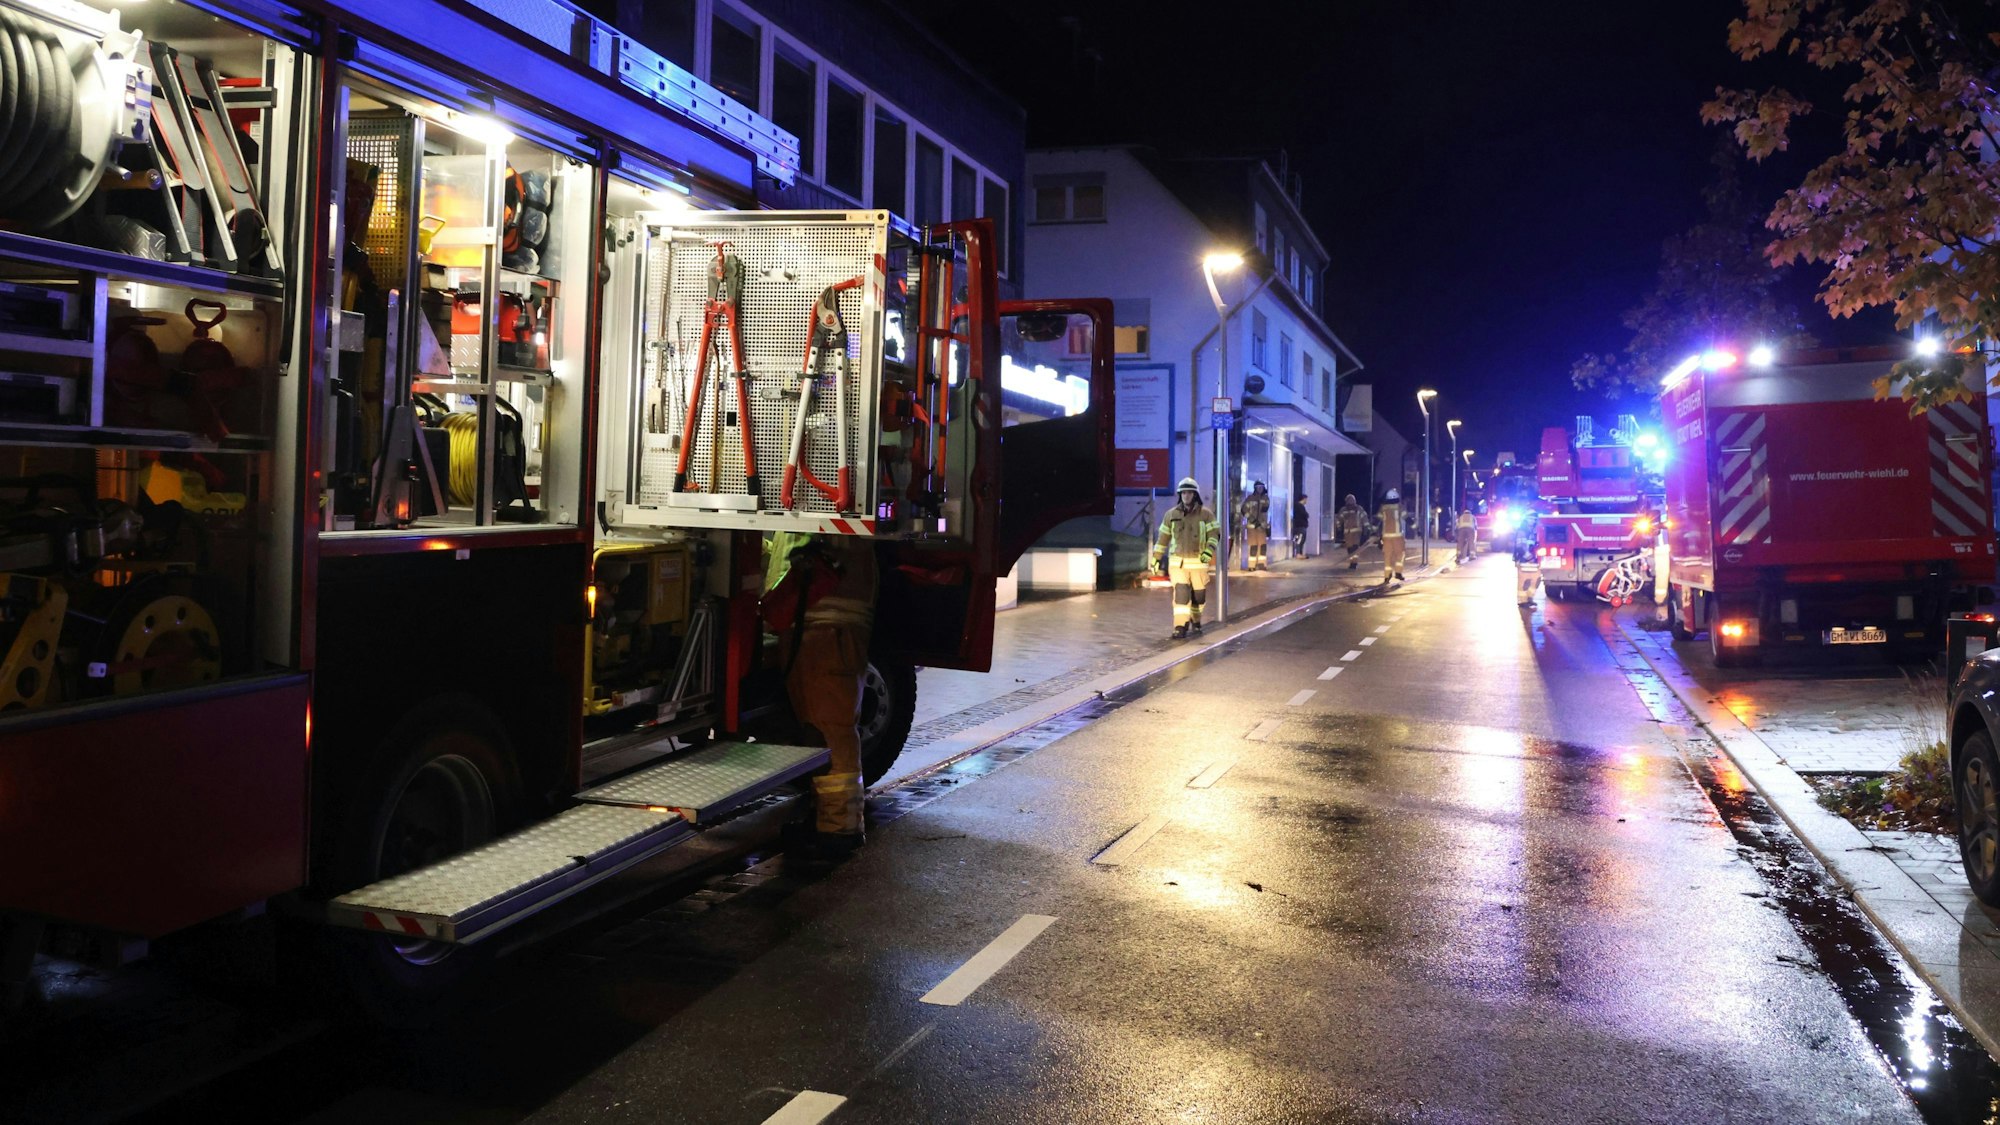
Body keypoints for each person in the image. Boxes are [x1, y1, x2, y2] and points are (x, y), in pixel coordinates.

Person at [763, 531, 878, 855]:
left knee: (831, 728)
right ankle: (828, 817)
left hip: (827, 620)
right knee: (820, 726)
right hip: (819, 620)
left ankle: (840, 827)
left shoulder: (827, 495)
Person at [1151, 476, 1219, 638]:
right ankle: (1180, 626)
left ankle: (1195, 619)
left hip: (1198, 563)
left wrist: (1209, 551)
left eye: (1189, 493)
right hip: (1178, 563)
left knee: (1199, 597)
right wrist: (1156, 558)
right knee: (1181, 594)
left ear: (1195, 495)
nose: (1186, 496)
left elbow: (1214, 534)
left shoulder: (1206, 515)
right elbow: (1163, 539)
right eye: (1183, 493)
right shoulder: (1171, 515)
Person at [1378, 488, 1407, 583]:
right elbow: (1407, 518)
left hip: (1386, 537)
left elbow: (1377, 521)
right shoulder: (1399, 507)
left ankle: (1387, 576)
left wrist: (1374, 532)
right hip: (1397, 536)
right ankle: (1398, 573)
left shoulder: (1382, 508)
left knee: (1387, 556)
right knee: (1400, 554)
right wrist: (1416, 528)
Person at [1242, 481, 1271, 570]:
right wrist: (1252, 520)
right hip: (1252, 526)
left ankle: (1262, 564)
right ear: (1255, 488)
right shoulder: (1249, 498)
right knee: (1253, 546)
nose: (1260, 489)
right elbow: (1243, 510)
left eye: (1261, 487)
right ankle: (1251, 566)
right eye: (1258, 487)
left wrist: (1265, 525)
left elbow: (1264, 512)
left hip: (1262, 527)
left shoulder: (1266, 498)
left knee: (1263, 546)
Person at [1337, 493, 1365, 570]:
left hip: (1349, 533)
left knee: (1351, 549)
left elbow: (1338, 520)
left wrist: (1339, 529)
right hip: (1356, 532)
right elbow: (1364, 519)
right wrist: (1367, 528)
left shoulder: (1344, 510)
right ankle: (1354, 563)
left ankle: (1353, 563)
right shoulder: (1359, 509)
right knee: (1354, 548)